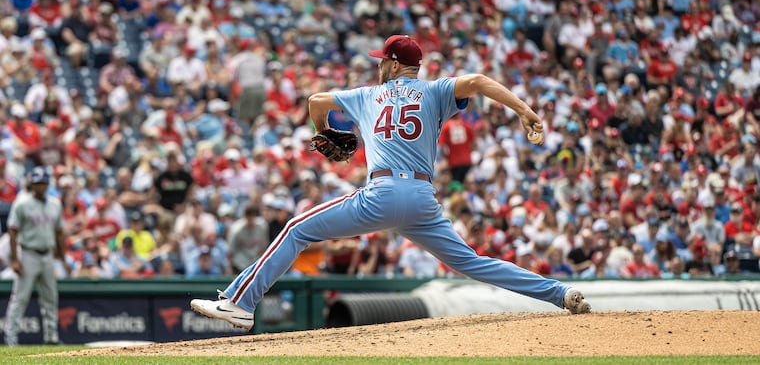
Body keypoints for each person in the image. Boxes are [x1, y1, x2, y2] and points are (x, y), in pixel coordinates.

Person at [191, 34, 591, 330]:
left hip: (381, 195)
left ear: (395, 64)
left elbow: (315, 102)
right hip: (420, 199)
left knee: (296, 229)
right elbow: (480, 81)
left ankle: (240, 303)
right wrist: (524, 110)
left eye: (384, 60)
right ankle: (560, 294)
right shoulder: (434, 91)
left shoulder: (369, 95)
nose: (380, 65)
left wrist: (329, 132)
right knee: (473, 263)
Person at [4, 167, 69, 346]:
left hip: (47, 254)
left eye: (43, 183)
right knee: (20, 297)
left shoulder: (55, 203)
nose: (40, 186)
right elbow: (12, 231)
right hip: (28, 253)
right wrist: (15, 259)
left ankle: (51, 337)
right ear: (31, 184)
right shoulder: (22, 203)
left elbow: (59, 231)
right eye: (37, 183)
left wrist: (63, 258)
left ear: (48, 184)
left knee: (50, 297)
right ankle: (11, 338)